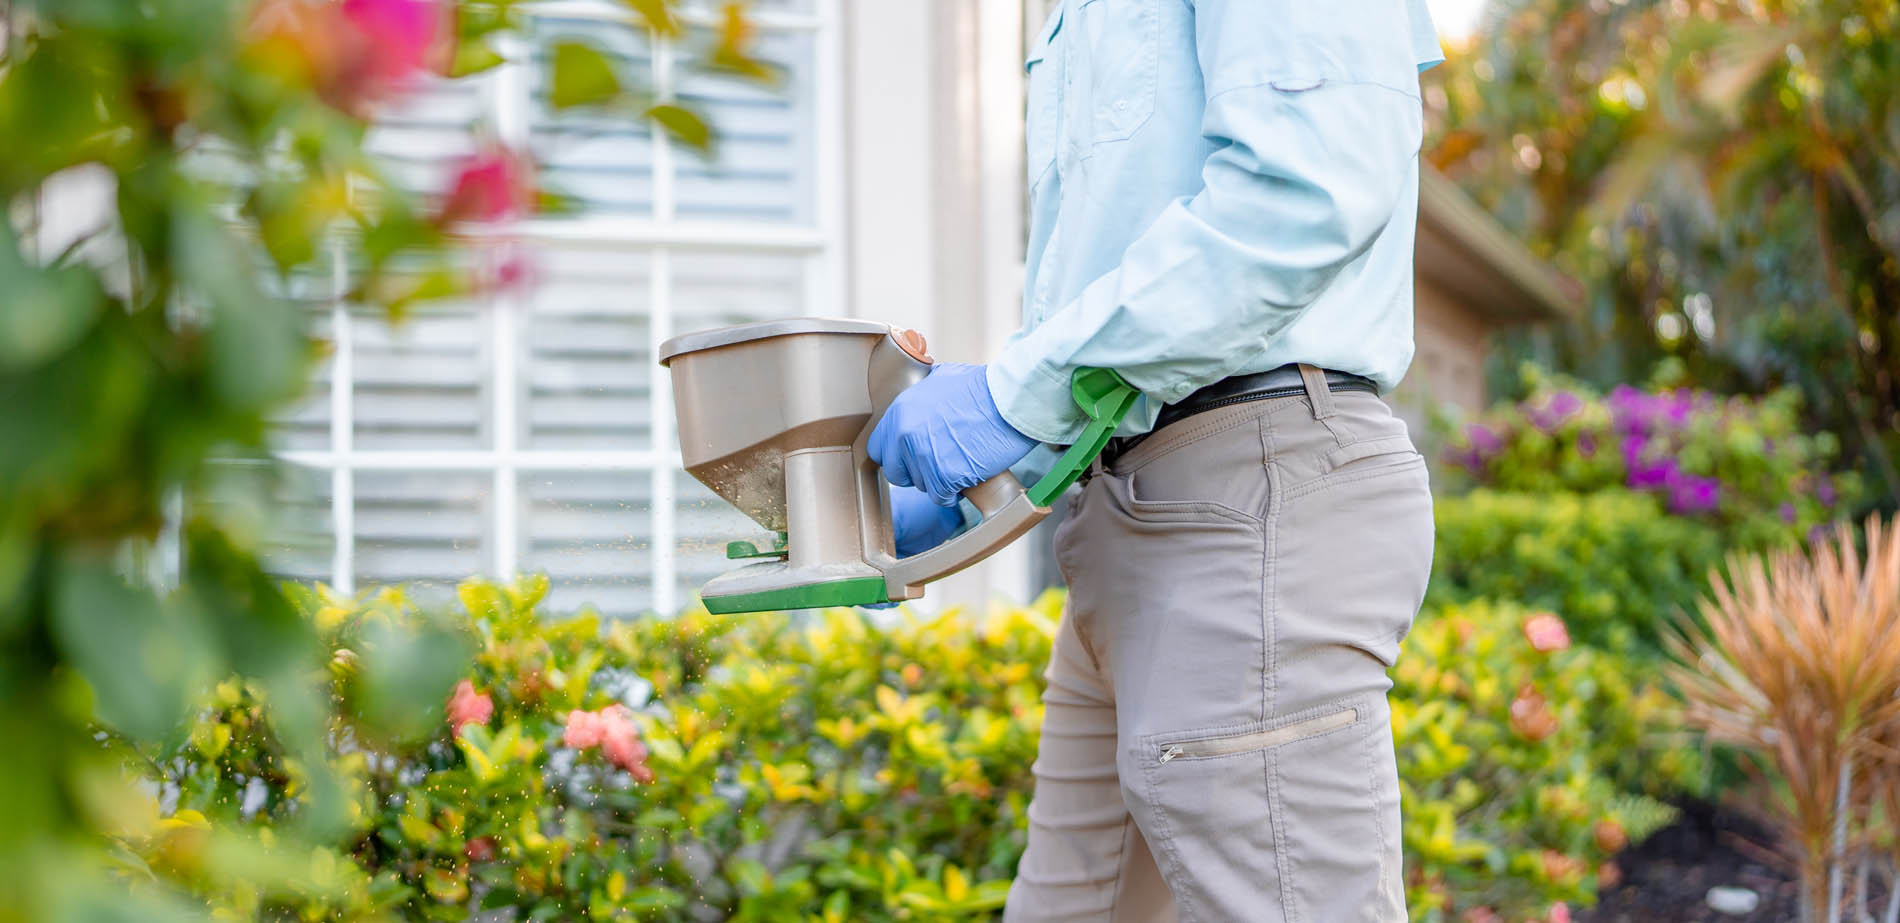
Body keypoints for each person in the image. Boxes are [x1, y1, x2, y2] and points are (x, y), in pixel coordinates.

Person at [869, 0, 1444, 919]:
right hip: (1128, 509)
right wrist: (1022, 457)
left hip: (1249, 497)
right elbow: (1126, 250)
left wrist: (1015, 395)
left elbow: (1307, 188)